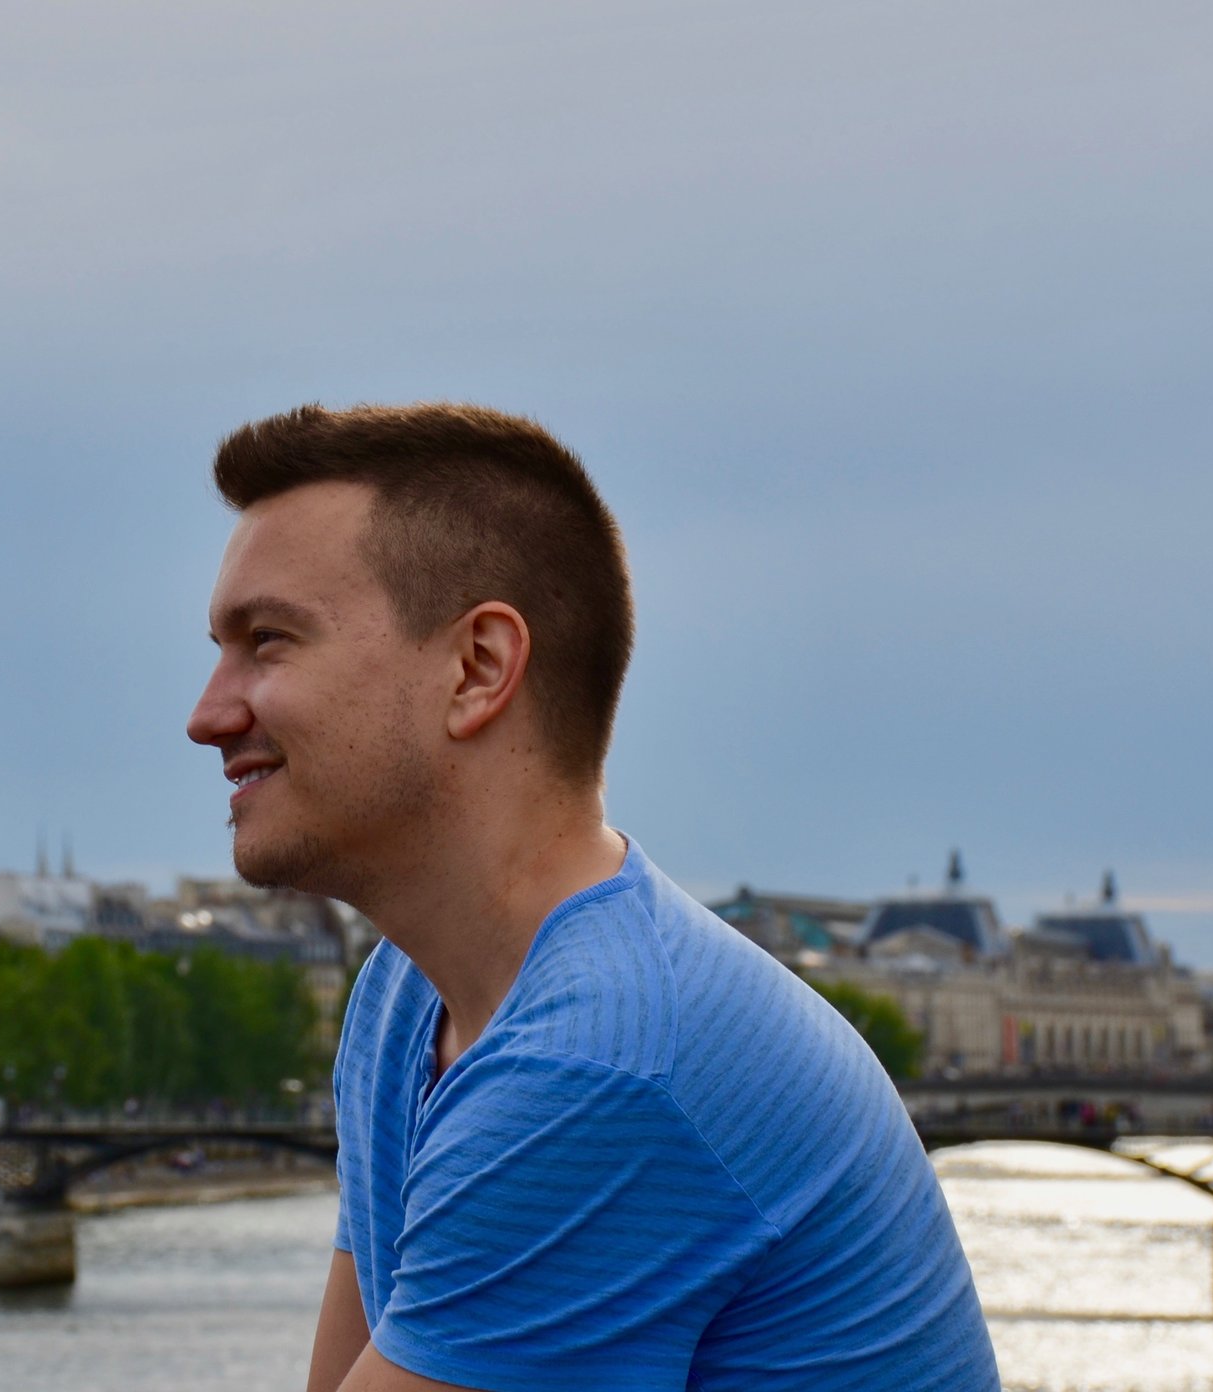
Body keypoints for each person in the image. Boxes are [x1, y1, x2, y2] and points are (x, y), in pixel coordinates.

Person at [185, 404, 999, 1391]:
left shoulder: (601, 1066)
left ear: (477, 670)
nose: (207, 714)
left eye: (267, 642)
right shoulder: (404, 993)